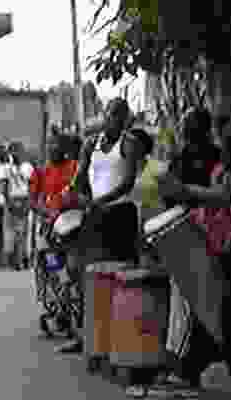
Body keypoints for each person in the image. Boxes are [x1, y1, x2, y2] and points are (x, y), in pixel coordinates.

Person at [157, 96, 231, 400]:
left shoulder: (222, 156)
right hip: (204, 236)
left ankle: (187, 366)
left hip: (216, 238)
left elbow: (221, 197)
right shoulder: (195, 159)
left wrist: (186, 193)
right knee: (211, 307)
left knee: (211, 307)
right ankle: (189, 365)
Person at [62, 98, 153, 354]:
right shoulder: (91, 144)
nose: (114, 120)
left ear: (126, 120)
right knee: (86, 274)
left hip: (120, 214)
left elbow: (127, 182)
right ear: (104, 115)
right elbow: (80, 176)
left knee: (117, 274)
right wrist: (75, 192)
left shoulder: (130, 144)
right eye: (111, 114)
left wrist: (101, 201)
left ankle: (114, 340)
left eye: (120, 116)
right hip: (95, 214)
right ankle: (85, 336)